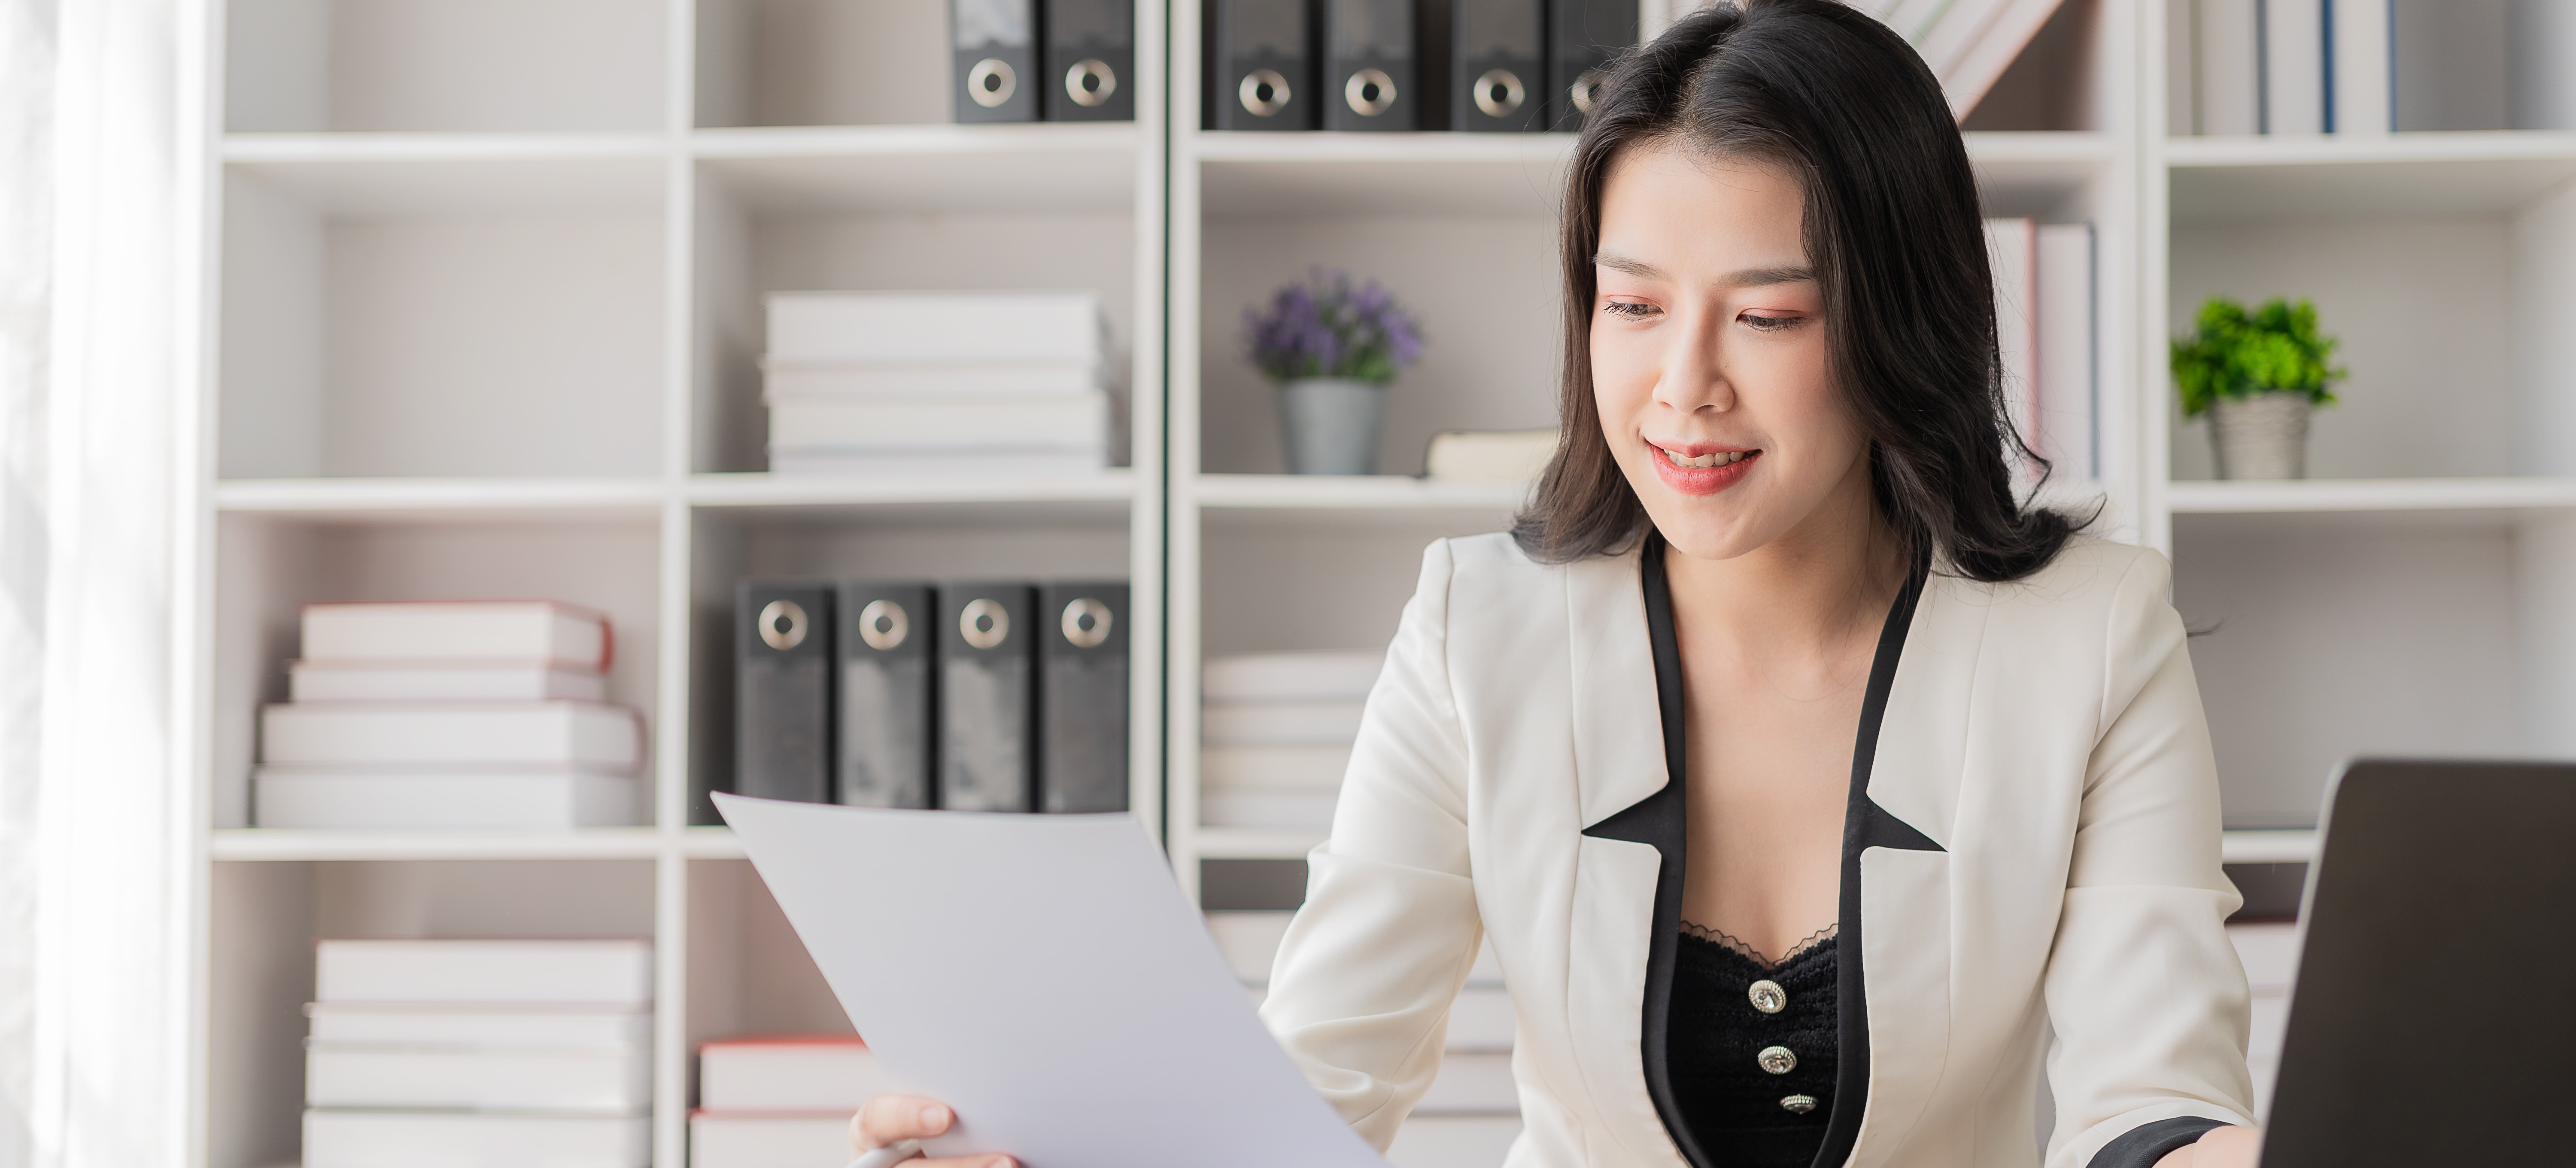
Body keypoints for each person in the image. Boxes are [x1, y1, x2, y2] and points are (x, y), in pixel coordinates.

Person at [854, 3, 2260, 1165]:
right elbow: (1312, 1101)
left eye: (1768, 315)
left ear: (1904, 320)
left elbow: (2153, 1095)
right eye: (1632, 304)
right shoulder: (1480, 626)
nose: (1683, 388)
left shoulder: (2091, 633)